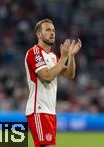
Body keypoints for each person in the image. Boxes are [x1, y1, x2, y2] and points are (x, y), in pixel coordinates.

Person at [25, 19, 82, 147]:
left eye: (53, 30)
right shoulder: (34, 53)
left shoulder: (52, 56)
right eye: (48, 30)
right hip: (38, 110)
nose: (52, 33)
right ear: (39, 35)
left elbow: (70, 74)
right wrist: (63, 58)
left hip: (50, 111)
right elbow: (47, 76)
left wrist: (71, 57)